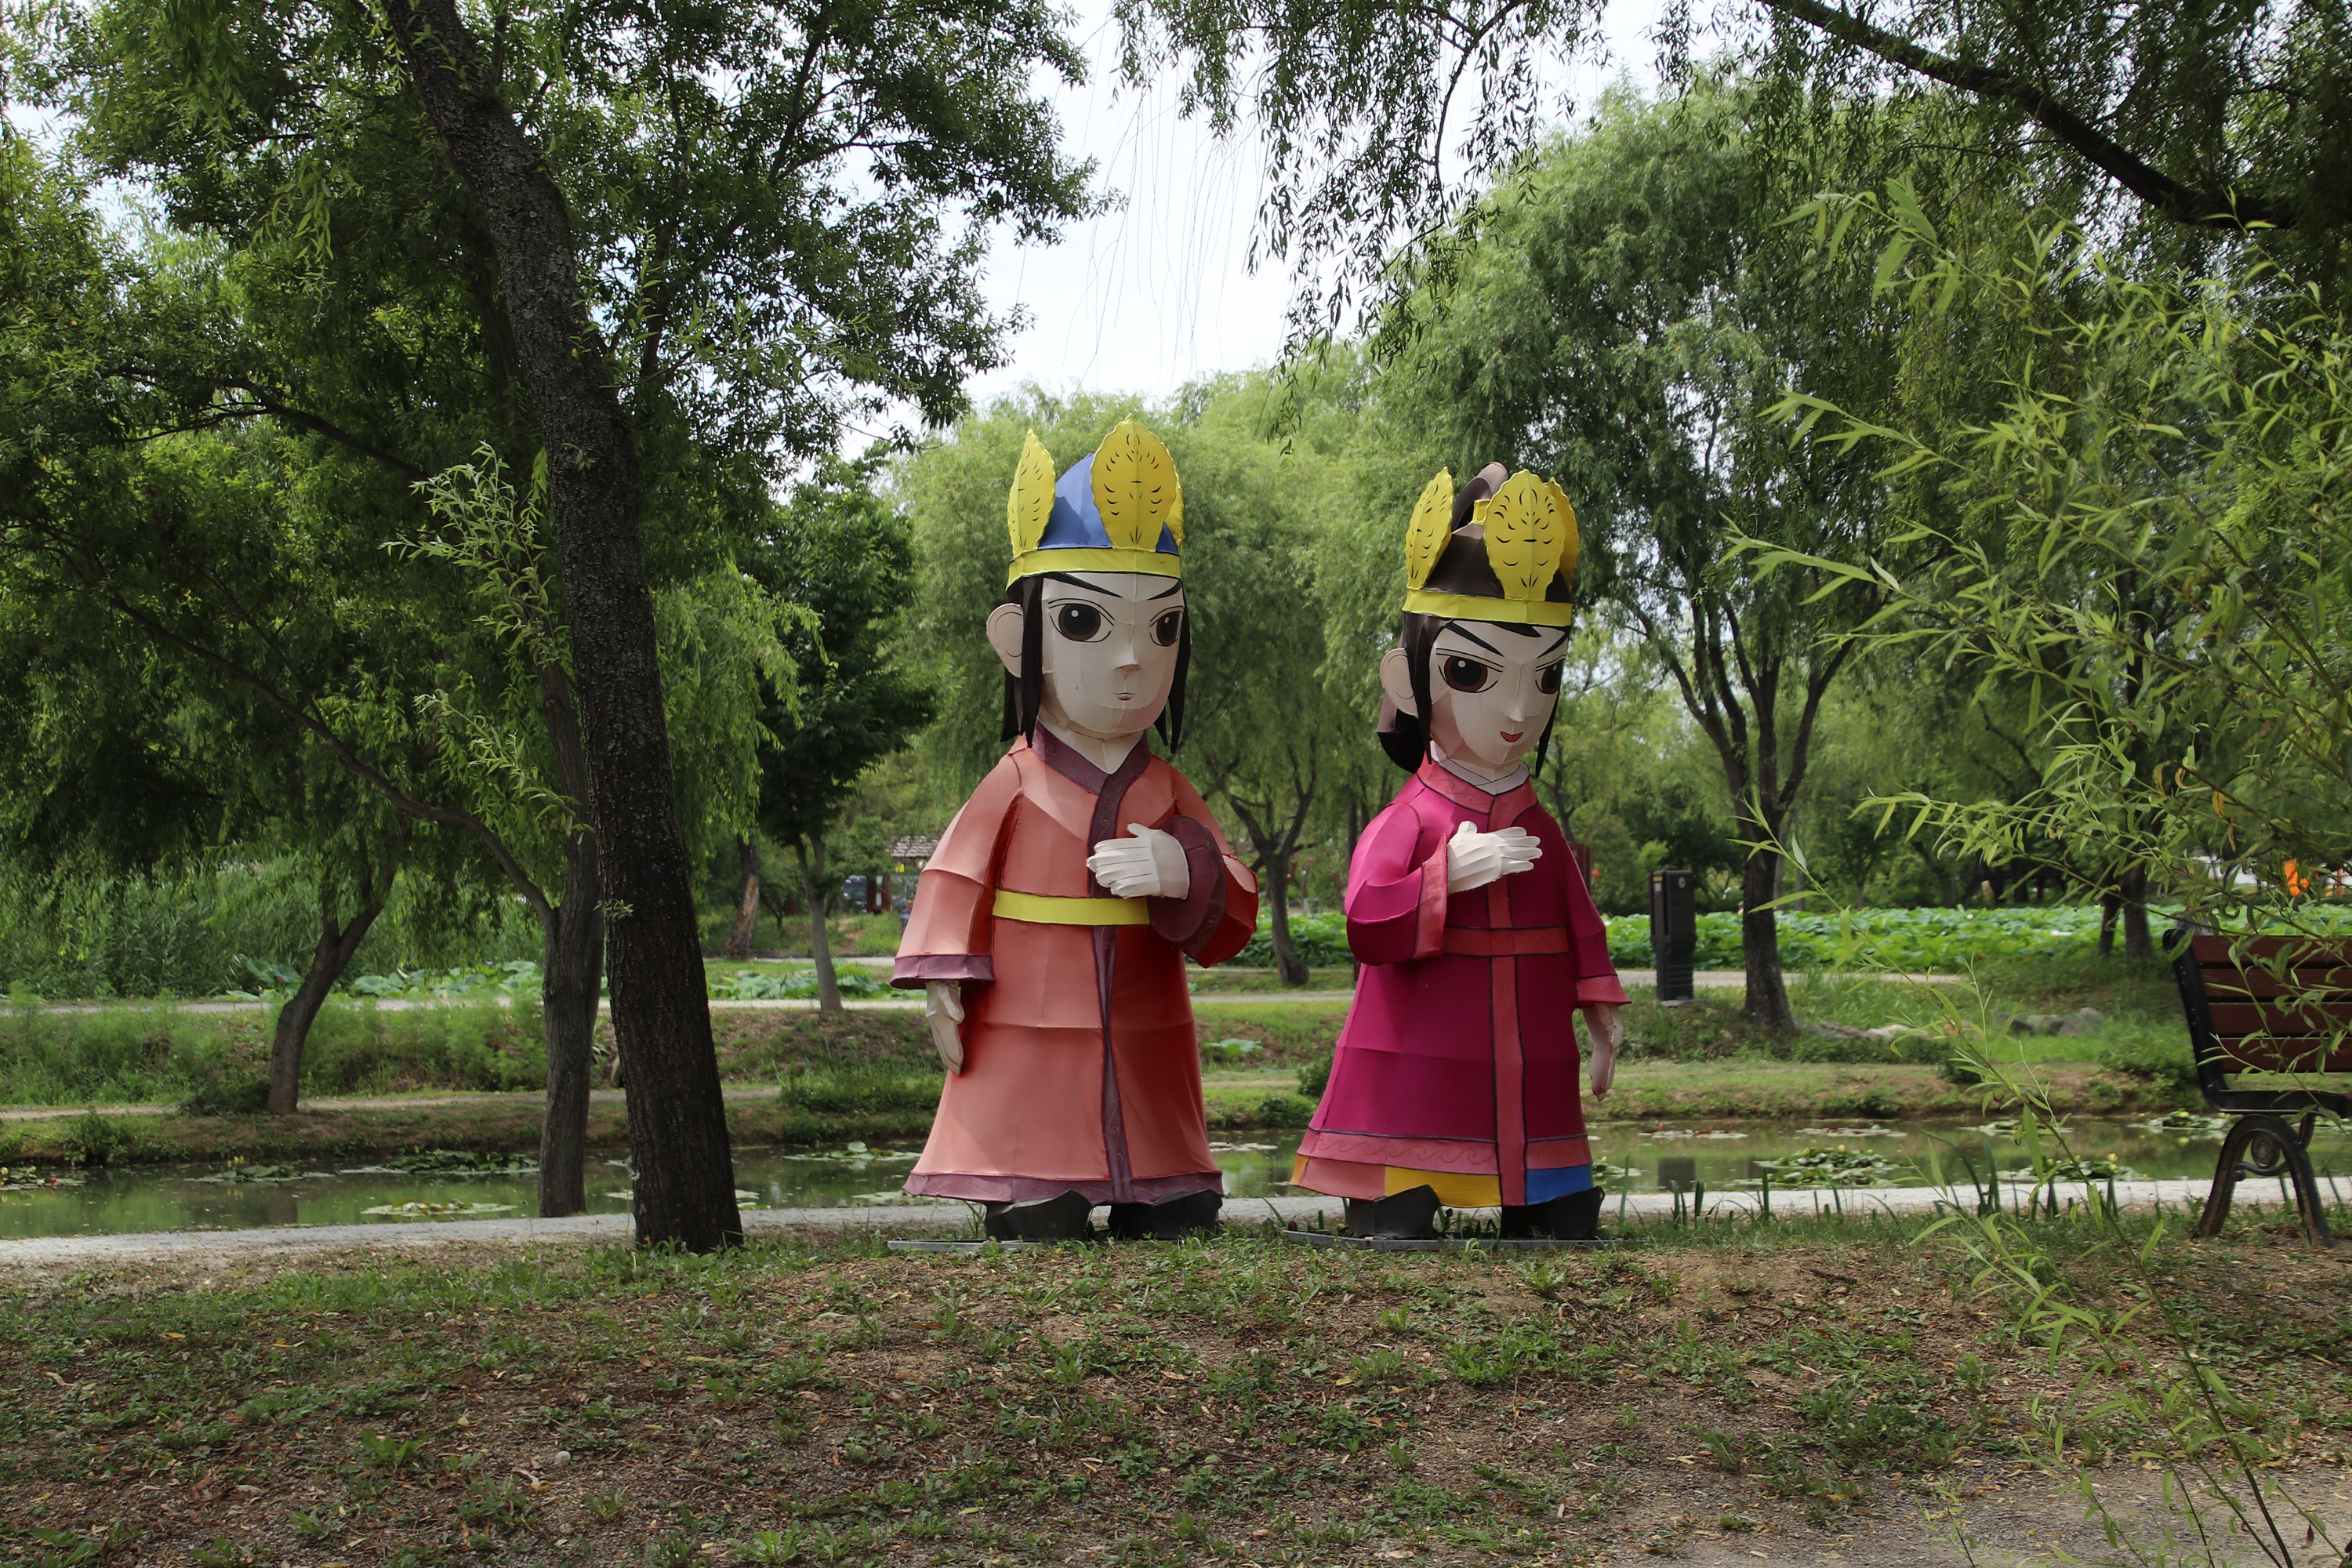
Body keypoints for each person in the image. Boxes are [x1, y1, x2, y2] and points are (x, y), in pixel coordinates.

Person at [892, 421, 1258, 1241]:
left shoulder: (1167, 787)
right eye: (1087, 623)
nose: (1132, 658)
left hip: (1146, 1009)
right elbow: (955, 872)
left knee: (1167, 1186)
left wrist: (1184, 867)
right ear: (1017, 639)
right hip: (1024, 1008)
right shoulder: (1015, 779)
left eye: (1161, 629)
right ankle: (1033, 1181)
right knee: (1037, 1184)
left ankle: (1158, 1179)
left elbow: (1237, 897)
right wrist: (945, 979)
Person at [1292, 463, 1627, 1240]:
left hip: (1533, 1045)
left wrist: (1601, 1008)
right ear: (1407, 680)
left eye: (1544, 675)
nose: (1517, 709)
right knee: (1406, 1169)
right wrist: (1443, 876)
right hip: (1420, 1044)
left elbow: (1579, 919)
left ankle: (1541, 1196)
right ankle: (1398, 1195)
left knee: (1552, 1198)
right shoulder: (1409, 819)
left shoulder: (1537, 823)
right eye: (1474, 672)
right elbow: (1366, 918)